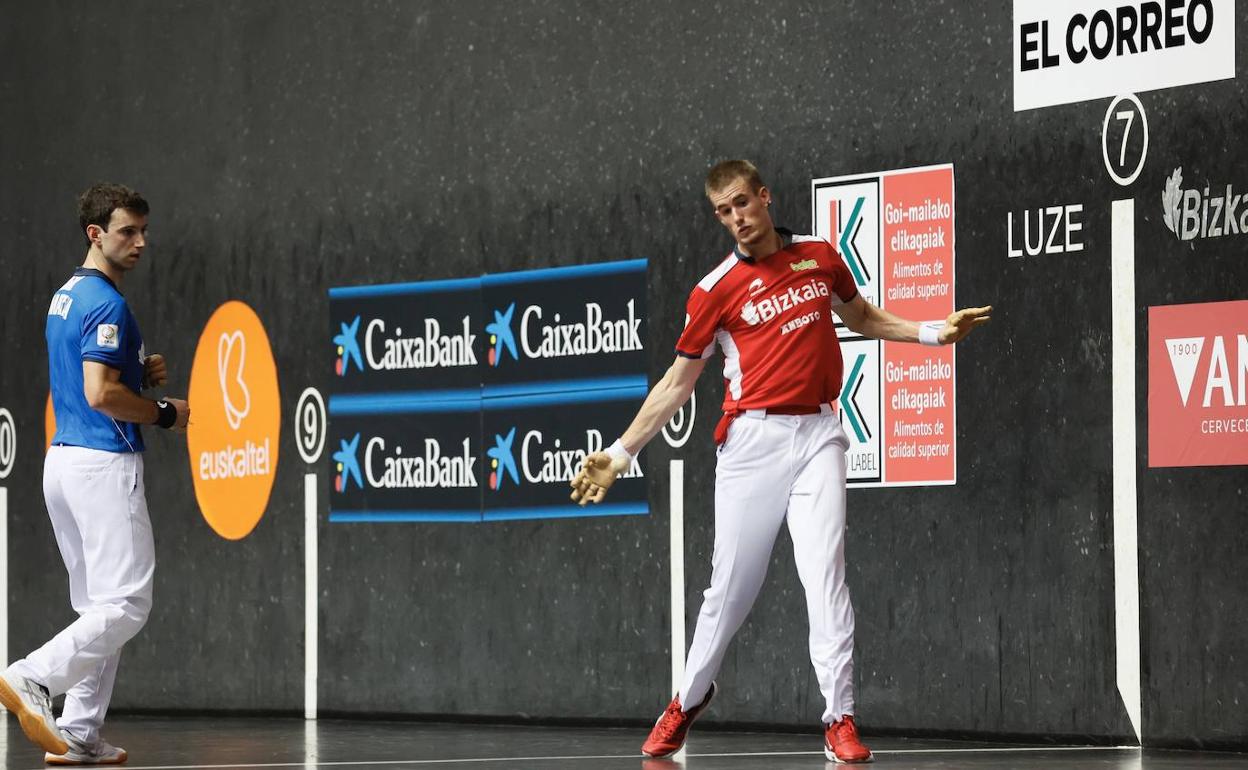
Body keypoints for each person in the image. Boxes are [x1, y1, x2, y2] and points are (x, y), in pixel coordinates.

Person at [570, 160, 990, 763]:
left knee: (826, 574)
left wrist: (932, 334)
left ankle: (839, 718)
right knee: (730, 592)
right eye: (723, 211)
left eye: (743, 203)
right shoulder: (714, 291)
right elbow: (675, 383)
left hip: (819, 431)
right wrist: (620, 451)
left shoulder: (819, 257)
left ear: (764, 197)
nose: (736, 218)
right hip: (751, 444)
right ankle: (686, 701)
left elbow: (863, 318)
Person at [0, 184, 190, 765]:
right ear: (95, 233)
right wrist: (162, 413)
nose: (140, 242)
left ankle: (80, 730)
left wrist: (137, 368)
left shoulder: (66, 297)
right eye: (127, 231)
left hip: (62, 464)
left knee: (101, 608)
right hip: (103, 463)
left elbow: (97, 375)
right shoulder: (109, 302)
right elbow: (100, 393)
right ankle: (32, 676)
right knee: (127, 605)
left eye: (142, 231)